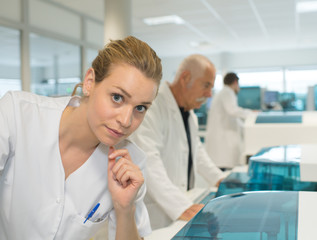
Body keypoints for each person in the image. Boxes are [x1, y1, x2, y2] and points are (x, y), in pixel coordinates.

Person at [0, 36, 162, 240]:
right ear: (90, 82)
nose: (126, 120)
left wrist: (124, 209)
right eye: (117, 97)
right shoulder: (16, 114)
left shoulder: (130, 162)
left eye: (140, 108)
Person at [130, 54, 225, 230]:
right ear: (185, 78)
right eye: (206, 85)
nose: (209, 94)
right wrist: (181, 206)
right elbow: (148, 161)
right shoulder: (153, 106)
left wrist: (220, 178)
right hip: (156, 214)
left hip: (184, 201)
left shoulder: (189, 113)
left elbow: (197, 151)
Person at [205, 72, 252, 169]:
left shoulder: (223, 92)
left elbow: (233, 116)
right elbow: (232, 110)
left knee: (223, 168)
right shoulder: (228, 92)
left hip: (222, 141)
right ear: (235, 82)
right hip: (222, 142)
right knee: (223, 171)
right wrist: (251, 113)